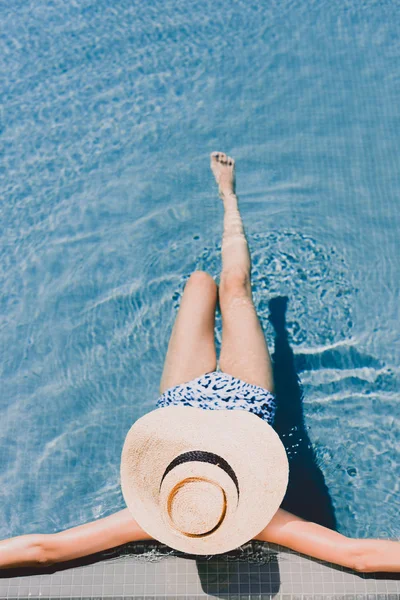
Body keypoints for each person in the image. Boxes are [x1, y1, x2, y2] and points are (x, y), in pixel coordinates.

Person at [1, 152, 399, 573]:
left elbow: (46, 549)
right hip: (245, 401)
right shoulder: (261, 518)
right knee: (234, 289)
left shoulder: (148, 514)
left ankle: (227, 208)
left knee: (198, 283)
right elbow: (357, 555)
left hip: (181, 406)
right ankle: (229, 196)